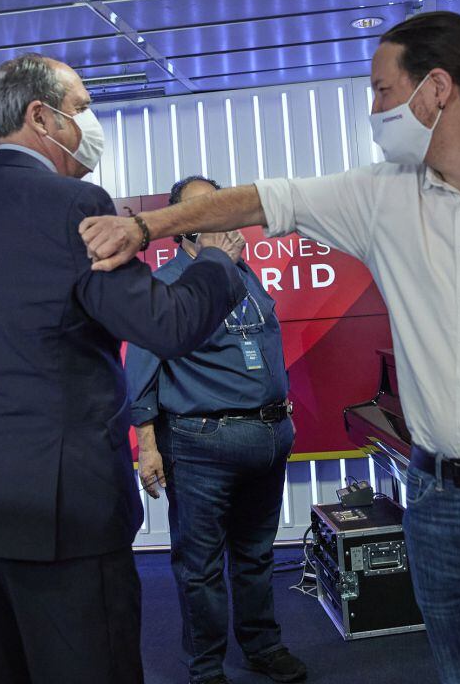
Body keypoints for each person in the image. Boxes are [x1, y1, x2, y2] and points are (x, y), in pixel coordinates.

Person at [80, 12, 460, 684]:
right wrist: (145, 225)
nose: (373, 109)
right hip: (439, 506)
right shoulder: (377, 195)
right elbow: (255, 200)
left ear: (437, 89)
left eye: (382, 91)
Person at [0, 53, 247, 684]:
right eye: (83, 109)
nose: (90, 123)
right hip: (65, 511)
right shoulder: (75, 204)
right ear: (41, 116)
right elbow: (166, 325)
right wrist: (220, 262)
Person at [127, 175, 305, 684]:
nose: (227, 222)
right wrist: (148, 444)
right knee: (201, 566)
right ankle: (205, 668)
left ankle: (262, 646)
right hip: (203, 444)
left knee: (256, 555)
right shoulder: (164, 286)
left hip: (267, 439)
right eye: (210, 215)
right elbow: (141, 368)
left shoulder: (245, 274)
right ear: (185, 232)